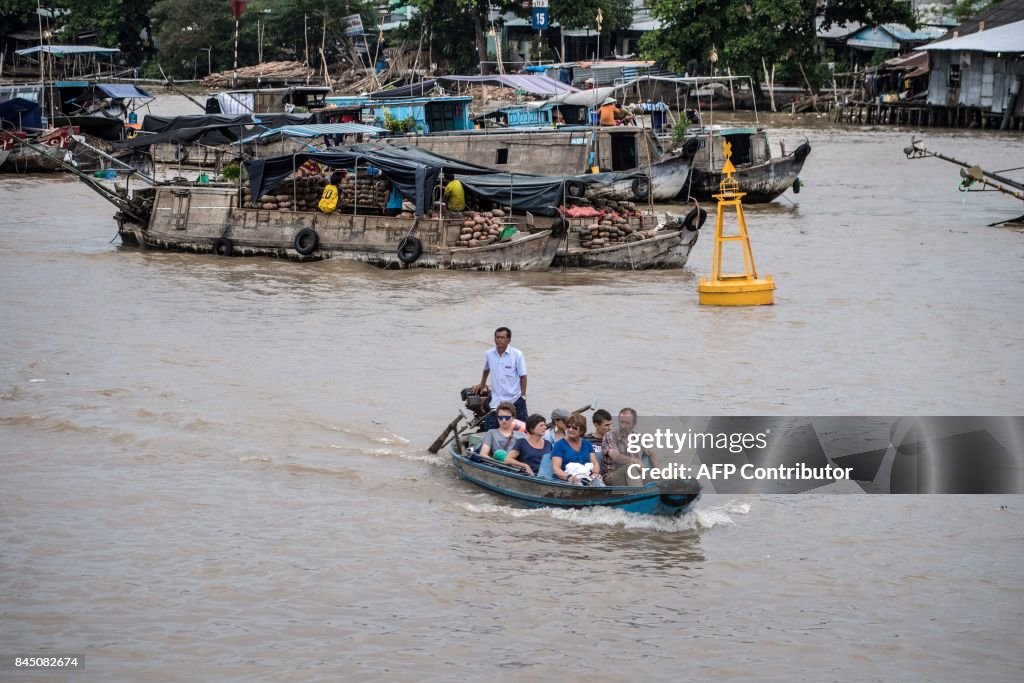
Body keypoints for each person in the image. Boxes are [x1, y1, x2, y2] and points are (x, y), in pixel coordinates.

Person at [472, 327, 527, 430]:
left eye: (502, 337)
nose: (500, 340)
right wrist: (482, 384)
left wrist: (523, 395)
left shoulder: (517, 355)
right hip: (496, 400)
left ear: (508, 340)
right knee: (492, 429)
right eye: (497, 337)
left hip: (515, 399)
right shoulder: (489, 354)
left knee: (522, 430)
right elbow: (486, 369)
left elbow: (523, 376)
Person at [601, 407, 660, 486]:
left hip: (637, 476)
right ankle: (639, 496)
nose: (623, 426)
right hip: (614, 477)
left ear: (634, 424)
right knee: (632, 467)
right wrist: (634, 460)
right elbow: (616, 456)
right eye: (621, 422)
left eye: (627, 423)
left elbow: (652, 453)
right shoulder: (610, 436)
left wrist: (657, 471)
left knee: (669, 477)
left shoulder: (639, 437)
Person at [551, 413, 603, 485]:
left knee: (598, 483)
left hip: (586, 477)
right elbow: (556, 469)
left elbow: (595, 463)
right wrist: (569, 477)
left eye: (574, 428)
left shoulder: (587, 444)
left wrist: (595, 473)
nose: (570, 429)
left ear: (581, 431)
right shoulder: (559, 445)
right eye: (568, 427)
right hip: (565, 481)